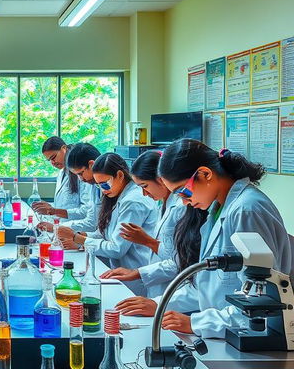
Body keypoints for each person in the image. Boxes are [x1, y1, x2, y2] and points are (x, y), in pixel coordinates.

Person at [116, 140, 294, 339]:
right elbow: (206, 284)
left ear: (205, 174)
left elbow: (261, 304)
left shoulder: (246, 210)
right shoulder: (217, 210)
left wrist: (196, 323)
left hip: (250, 337)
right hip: (227, 333)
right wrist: (160, 303)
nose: (184, 201)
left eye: (182, 191)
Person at [61, 152, 158, 295]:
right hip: (122, 276)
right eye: (99, 185)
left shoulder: (133, 201)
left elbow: (116, 248)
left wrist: (78, 238)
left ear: (120, 175)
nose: (103, 190)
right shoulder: (118, 196)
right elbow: (107, 234)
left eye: (105, 184)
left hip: (136, 278)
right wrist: (83, 236)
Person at [100, 150, 184, 297]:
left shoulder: (180, 208)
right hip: (159, 286)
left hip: (174, 292)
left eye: (145, 186)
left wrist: (147, 242)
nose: (144, 193)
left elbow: (179, 262)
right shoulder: (163, 204)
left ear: (161, 179)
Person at [32, 137, 86, 223]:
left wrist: (54, 211)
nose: (52, 162)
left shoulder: (82, 175)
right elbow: (65, 205)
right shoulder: (61, 173)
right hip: (63, 226)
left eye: (53, 157)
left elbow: (86, 212)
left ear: (64, 148)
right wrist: (49, 207)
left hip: (78, 230)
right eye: (49, 160)